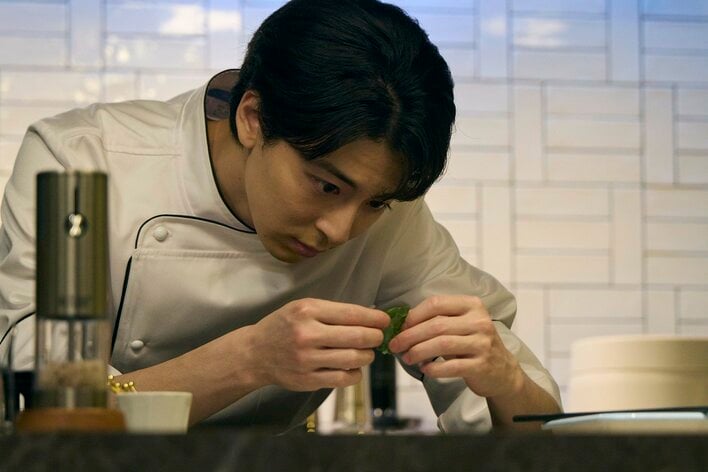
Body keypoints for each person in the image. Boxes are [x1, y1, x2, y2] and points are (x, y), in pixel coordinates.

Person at [0, 0, 561, 432]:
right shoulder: (82, 162)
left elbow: (537, 435)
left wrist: (504, 378)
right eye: (326, 185)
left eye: (375, 203)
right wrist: (250, 358)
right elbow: (51, 411)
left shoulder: (391, 215)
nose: (341, 229)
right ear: (252, 117)